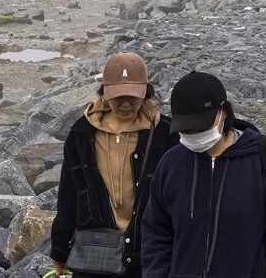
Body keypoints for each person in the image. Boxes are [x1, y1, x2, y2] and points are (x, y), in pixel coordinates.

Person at [141, 71, 266, 278]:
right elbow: (156, 233)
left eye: (200, 126)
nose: (193, 134)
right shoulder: (171, 164)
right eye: (186, 129)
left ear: (223, 113)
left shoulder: (261, 158)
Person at [51, 53, 175, 278]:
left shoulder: (164, 134)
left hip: (147, 249)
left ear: (145, 92)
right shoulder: (82, 134)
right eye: (118, 97)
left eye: (133, 97)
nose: (126, 104)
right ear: (105, 92)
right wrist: (59, 250)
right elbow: (69, 195)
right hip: (95, 251)